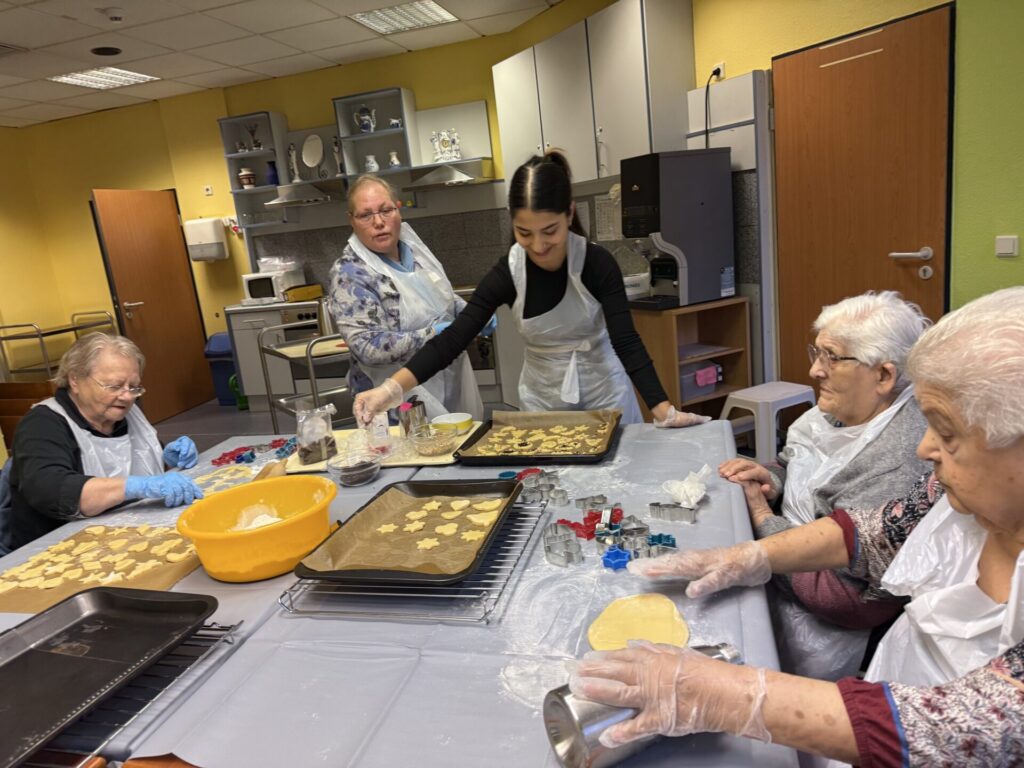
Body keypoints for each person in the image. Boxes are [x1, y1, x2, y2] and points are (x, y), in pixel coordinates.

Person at [570, 286, 1024, 767]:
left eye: (947, 433)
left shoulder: (907, 463)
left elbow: (964, 729)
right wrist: (750, 555)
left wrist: (730, 696)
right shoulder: (944, 486)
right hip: (889, 691)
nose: (924, 448)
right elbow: (874, 532)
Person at [353, 153, 707, 428]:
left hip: (605, 396)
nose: (538, 246)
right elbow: (453, 340)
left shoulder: (596, 264)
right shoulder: (509, 272)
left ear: (569, 214)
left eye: (550, 231)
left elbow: (626, 341)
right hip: (543, 402)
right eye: (524, 233)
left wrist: (664, 410)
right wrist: (389, 391)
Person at [718, 291, 931, 680]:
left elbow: (843, 599)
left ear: (884, 376)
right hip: (787, 568)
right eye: (816, 353)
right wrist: (772, 478)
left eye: (832, 357)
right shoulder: (848, 408)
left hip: (831, 627)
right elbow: (798, 460)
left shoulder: (897, 463)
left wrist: (763, 518)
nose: (815, 370)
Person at [0, 333, 203, 554]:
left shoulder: (122, 413)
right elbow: (52, 489)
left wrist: (166, 458)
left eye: (134, 387)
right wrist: (136, 486)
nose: (127, 397)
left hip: (129, 533)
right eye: (114, 386)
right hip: (62, 549)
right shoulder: (42, 424)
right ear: (75, 380)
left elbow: (135, 459)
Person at [328, 174, 484, 421]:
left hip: (444, 376)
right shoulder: (349, 273)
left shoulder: (413, 250)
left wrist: (471, 314)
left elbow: (440, 295)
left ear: (398, 209)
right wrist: (432, 335)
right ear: (352, 221)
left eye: (385, 210)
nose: (379, 222)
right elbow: (367, 346)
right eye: (366, 215)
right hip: (391, 401)